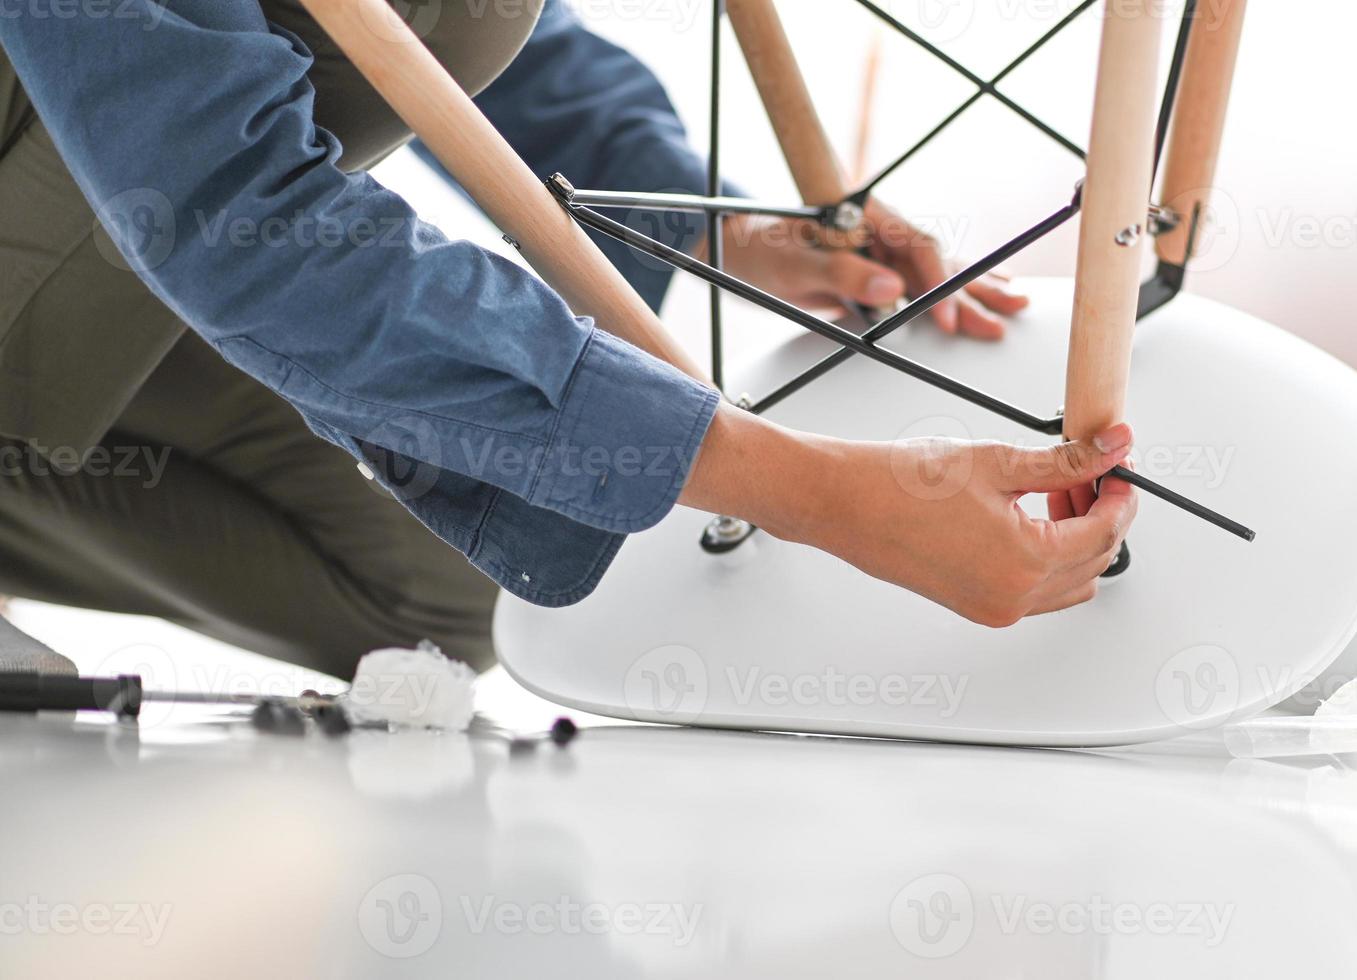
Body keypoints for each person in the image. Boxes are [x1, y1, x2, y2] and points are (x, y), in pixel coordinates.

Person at [0, 0, 1137, 679]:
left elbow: (468, 34)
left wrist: (716, 223)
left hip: (106, 206)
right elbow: (234, 212)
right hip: (157, 183)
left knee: (444, 590)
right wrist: (818, 491)